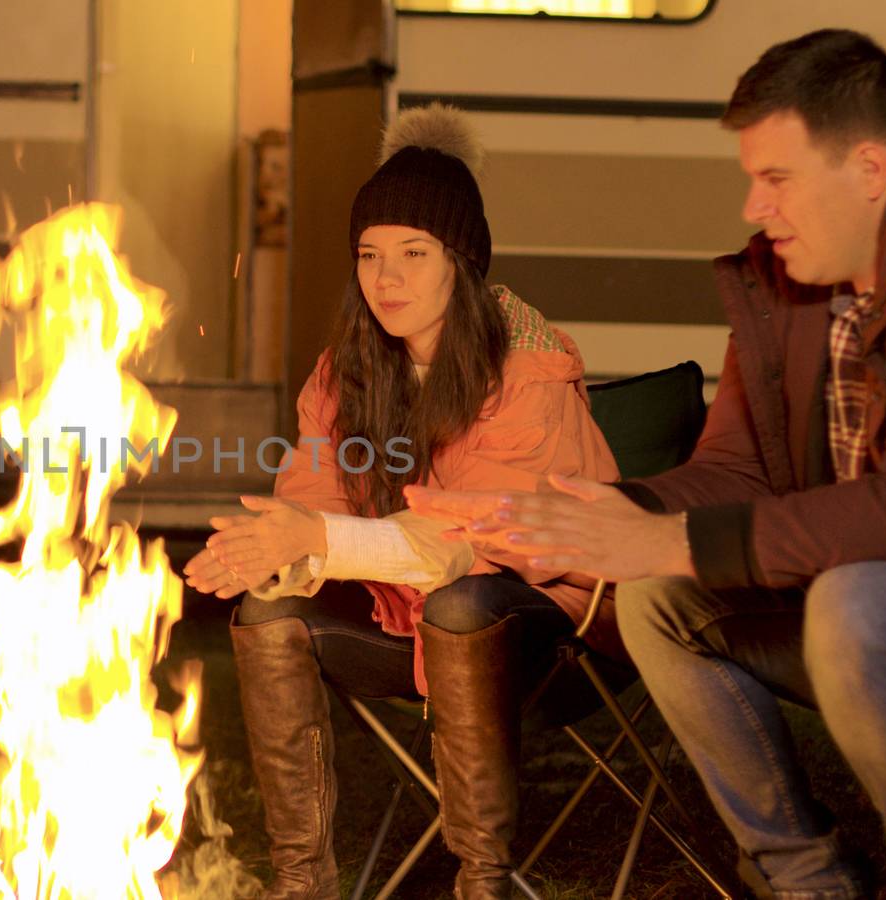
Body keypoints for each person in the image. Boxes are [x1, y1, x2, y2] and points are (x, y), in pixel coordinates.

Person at [407, 29, 886, 900]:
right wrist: (601, 513)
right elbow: (738, 468)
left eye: (776, 178)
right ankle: (805, 878)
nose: (754, 208)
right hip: (850, 588)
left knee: (860, 600)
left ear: (868, 170)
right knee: (655, 592)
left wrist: (673, 540)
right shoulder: (792, 279)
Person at [183, 105, 619, 900]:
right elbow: (313, 492)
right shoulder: (346, 370)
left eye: (414, 254)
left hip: (551, 622)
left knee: (459, 600)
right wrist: (281, 551)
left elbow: (470, 541)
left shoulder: (526, 371)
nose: (386, 279)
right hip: (407, 613)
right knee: (266, 612)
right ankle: (301, 882)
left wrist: (315, 535)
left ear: (462, 262)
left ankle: (481, 883)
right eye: (370, 254)